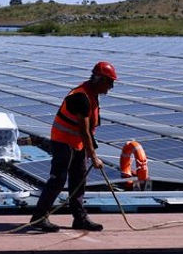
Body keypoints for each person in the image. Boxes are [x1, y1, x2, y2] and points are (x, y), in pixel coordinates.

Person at [29, 61, 117, 232]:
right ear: (100, 79)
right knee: (58, 179)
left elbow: (88, 131)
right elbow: (83, 130)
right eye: (110, 82)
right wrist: (94, 157)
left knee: (79, 180)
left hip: (77, 143)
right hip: (63, 142)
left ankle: (80, 219)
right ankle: (39, 218)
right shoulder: (81, 96)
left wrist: (90, 150)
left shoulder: (92, 95)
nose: (111, 87)